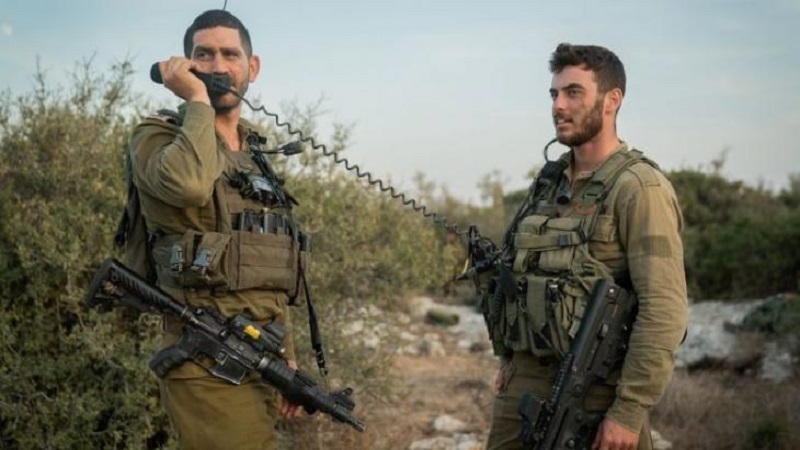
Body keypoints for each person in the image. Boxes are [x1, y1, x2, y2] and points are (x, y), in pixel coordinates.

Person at [483, 43, 688, 450]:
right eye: (554, 94)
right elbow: (521, 273)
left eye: (573, 92)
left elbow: (664, 309)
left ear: (612, 100)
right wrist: (509, 358)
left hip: (593, 394)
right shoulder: (548, 183)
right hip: (522, 385)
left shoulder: (640, 188)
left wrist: (628, 411)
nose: (558, 106)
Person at [128, 9, 305, 449]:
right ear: (185, 64)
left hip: (260, 355)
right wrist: (197, 101)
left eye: (230, 54)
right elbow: (187, 185)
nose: (218, 66)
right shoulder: (157, 137)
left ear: (252, 67)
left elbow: (268, 265)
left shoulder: (255, 154)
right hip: (205, 358)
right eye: (203, 55)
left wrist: (286, 357)